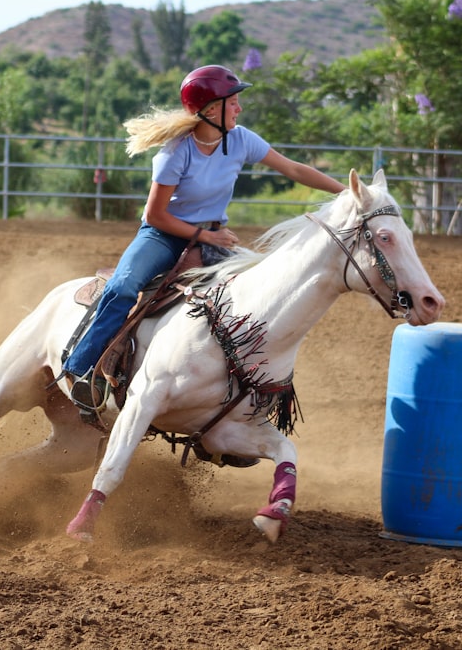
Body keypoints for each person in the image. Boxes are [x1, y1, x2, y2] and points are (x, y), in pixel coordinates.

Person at [64, 64, 346, 411]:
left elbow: (294, 169)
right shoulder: (175, 152)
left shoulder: (241, 139)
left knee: (259, 294)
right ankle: (82, 370)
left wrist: (347, 192)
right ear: (211, 109)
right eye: (234, 102)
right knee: (123, 286)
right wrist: (206, 237)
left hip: (213, 235)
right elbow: (155, 215)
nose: (240, 109)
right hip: (163, 235)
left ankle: (245, 399)